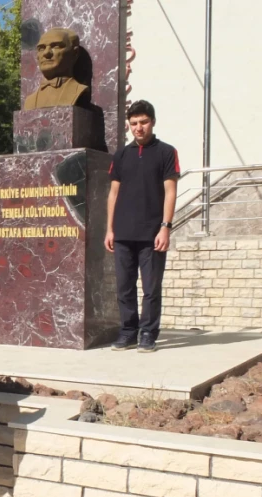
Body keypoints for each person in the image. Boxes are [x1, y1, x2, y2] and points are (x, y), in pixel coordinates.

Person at [104, 100, 179, 353]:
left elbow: (170, 191)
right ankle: (128, 331)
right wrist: (110, 229)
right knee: (124, 287)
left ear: (153, 122)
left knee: (150, 288)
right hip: (123, 233)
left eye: (143, 122)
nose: (139, 127)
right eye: (134, 123)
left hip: (151, 233)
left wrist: (165, 227)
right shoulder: (122, 155)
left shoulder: (166, 152)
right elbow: (113, 194)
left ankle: (148, 332)